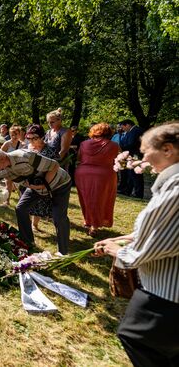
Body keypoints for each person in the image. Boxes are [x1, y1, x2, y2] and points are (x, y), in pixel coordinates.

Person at [93, 121, 179, 367]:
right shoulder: (170, 182)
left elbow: (158, 243)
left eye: (145, 151)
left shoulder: (176, 186)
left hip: (167, 296)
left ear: (167, 150)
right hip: (163, 290)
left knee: (136, 338)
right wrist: (121, 238)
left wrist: (119, 252)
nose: (143, 158)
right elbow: (162, 228)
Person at [0, 147, 72, 254]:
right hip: (36, 188)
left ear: (2, 159)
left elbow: (54, 165)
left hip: (60, 184)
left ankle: (63, 252)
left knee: (59, 216)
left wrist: (44, 185)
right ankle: (28, 243)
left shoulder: (25, 156)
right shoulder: (1, 172)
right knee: (21, 209)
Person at [75, 123, 120, 236]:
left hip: (83, 174)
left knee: (86, 199)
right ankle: (94, 225)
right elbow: (119, 161)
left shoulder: (84, 143)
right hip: (104, 175)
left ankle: (88, 221)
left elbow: (79, 158)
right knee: (101, 200)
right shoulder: (114, 145)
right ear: (109, 132)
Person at [24, 124, 61, 232]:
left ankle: (35, 224)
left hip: (45, 181)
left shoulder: (51, 150)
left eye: (35, 138)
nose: (31, 141)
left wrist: (45, 183)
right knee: (27, 205)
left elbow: (56, 168)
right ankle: (30, 225)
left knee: (41, 204)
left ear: (42, 137)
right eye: (29, 138)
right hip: (30, 180)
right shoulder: (29, 148)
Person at [119, 119, 145, 198]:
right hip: (131, 155)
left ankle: (138, 194)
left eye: (123, 127)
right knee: (131, 175)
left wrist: (120, 149)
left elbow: (132, 144)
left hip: (136, 155)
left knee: (136, 175)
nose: (122, 129)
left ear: (127, 125)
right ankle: (128, 191)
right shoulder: (131, 131)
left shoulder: (136, 131)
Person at [1, 125, 23, 204]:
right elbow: (0, 154)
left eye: (16, 134)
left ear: (20, 134)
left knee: (20, 185)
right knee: (8, 184)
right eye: (12, 135)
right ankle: (7, 201)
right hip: (8, 167)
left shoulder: (22, 144)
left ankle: (22, 200)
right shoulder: (7, 144)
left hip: (18, 167)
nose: (14, 136)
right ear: (10, 135)